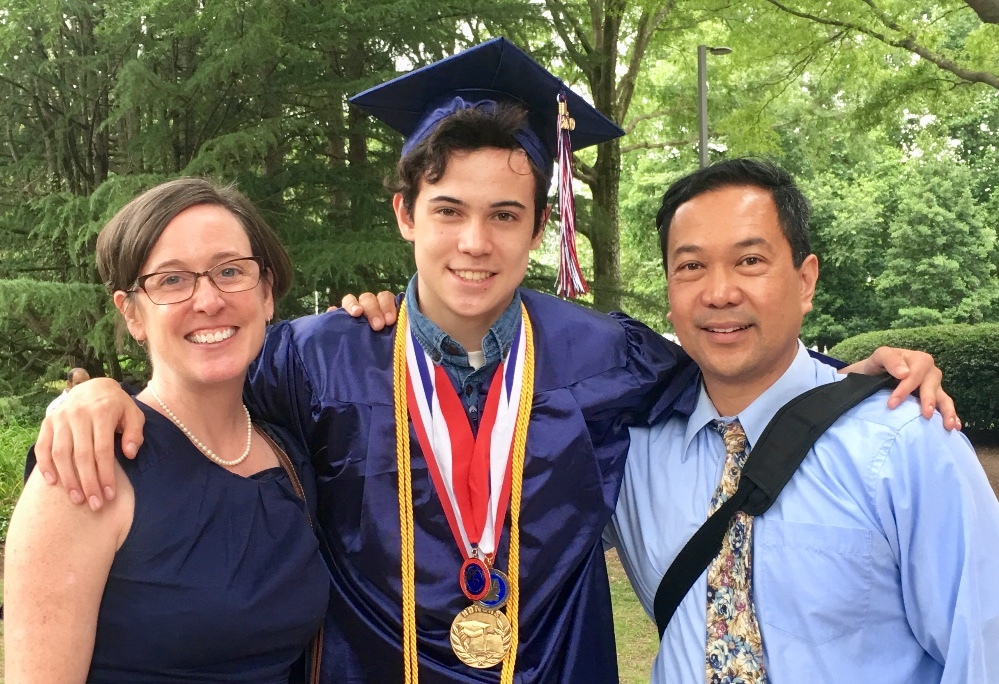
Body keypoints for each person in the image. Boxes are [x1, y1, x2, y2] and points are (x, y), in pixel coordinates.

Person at [32, 41, 953, 684]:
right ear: (405, 214)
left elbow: (738, 359)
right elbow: (194, 388)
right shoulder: (316, 357)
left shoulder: (606, 352)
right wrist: (97, 396)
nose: (475, 243)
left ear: (541, 227)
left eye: (505, 215)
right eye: (447, 211)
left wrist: (855, 375)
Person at [605, 159, 999, 683]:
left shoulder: (905, 444)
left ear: (805, 279)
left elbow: (981, 651)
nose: (719, 292)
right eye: (691, 267)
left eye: (749, 260)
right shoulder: (629, 452)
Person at [4, 179, 330, 683]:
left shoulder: (290, 454)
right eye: (172, 280)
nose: (208, 299)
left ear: (266, 293)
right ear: (131, 312)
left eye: (229, 271)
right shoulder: (86, 470)